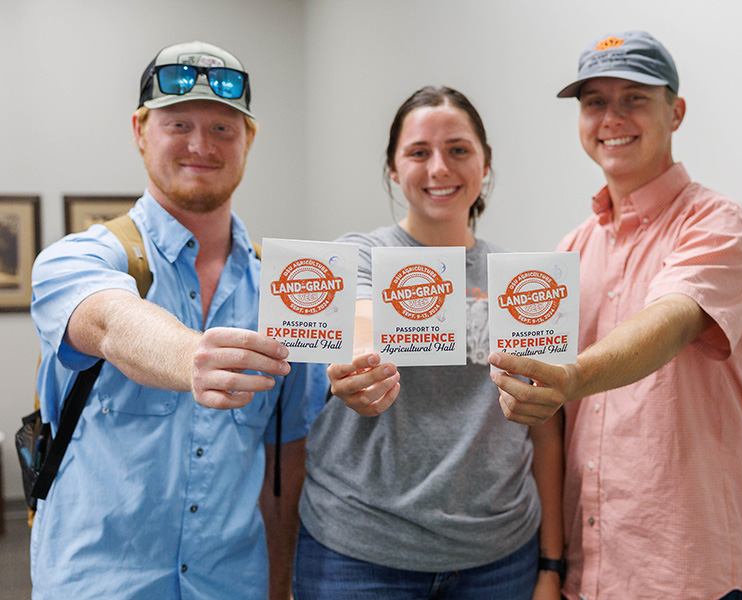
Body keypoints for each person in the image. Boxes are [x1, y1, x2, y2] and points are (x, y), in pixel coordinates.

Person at [29, 41, 326, 600]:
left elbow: (284, 462)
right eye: (180, 123)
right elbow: (110, 322)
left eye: (222, 128)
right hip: (98, 586)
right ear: (140, 131)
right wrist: (193, 359)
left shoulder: (285, 292)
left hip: (232, 584)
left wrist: (281, 586)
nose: (200, 145)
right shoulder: (79, 258)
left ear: (249, 140)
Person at [489, 31, 742, 600]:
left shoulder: (719, 225)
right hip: (589, 576)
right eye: (595, 102)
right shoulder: (572, 248)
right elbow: (551, 424)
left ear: (676, 111)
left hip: (688, 575)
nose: (612, 116)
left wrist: (571, 377)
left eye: (634, 97)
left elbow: (670, 320)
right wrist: (552, 564)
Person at [293, 86, 564, 600]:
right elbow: (361, 323)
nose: (439, 168)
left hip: (501, 557)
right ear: (394, 169)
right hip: (361, 554)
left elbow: (546, 430)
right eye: (418, 152)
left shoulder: (524, 280)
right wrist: (357, 369)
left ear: (485, 164)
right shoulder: (359, 255)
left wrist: (552, 563)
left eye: (458, 150)